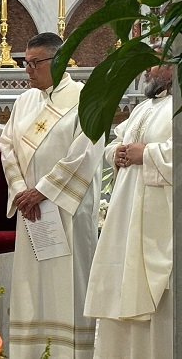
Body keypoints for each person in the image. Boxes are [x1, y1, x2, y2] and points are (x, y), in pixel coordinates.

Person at [0, 32, 104, 358]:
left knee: (66, 285)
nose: (27, 70)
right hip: (32, 214)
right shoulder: (24, 101)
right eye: (24, 62)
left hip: (66, 212)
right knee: (32, 287)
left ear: (58, 61)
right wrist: (20, 191)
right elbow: (7, 147)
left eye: (34, 63)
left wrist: (41, 191)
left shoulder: (85, 99)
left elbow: (84, 154)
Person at [84, 61, 173, 359]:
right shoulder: (142, 107)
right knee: (119, 286)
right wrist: (117, 152)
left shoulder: (177, 107)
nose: (148, 69)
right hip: (124, 214)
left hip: (158, 218)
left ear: (174, 67)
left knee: (158, 297)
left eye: (156, 63)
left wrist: (146, 153)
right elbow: (117, 141)